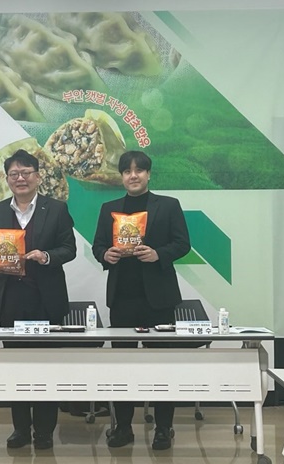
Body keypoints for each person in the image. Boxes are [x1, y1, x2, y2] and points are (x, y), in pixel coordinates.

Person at [0, 149, 76, 451]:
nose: (20, 178)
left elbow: (68, 249)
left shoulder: (56, 209)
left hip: (46, 301)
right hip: (11, 301)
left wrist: (46, 256)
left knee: (46, 367)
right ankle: (20, 428)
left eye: (26, 172)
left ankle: (44, 430)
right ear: (7, 179)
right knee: (15, 367)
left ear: (38, 176)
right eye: (14, 174)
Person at [91, 150, 190, 451]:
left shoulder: (168, 205)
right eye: (127, 171)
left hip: (159, 299)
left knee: (162, 366)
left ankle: (163, 429)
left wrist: (158, 254)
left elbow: (182, 243)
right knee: (123, 366)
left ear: (148, 174)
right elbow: (98, 246)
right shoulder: (109, 208)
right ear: (121, 176)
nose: (133, 176)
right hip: (122, 299)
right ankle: (123, 427)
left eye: (139, 170)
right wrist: (106, 255)